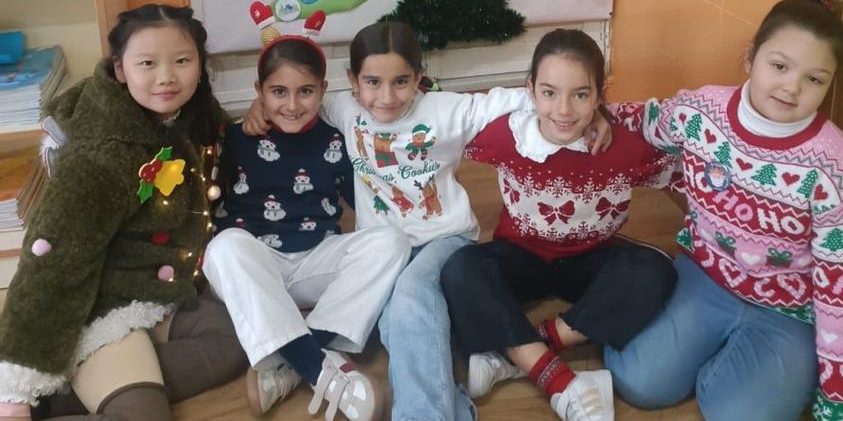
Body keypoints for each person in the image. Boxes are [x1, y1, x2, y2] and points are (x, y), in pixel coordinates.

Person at [243, 21, 612, 421]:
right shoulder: (342, 108)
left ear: (419, 77)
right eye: (372, 82)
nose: (386, 97)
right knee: (400, 326)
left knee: (411, 299)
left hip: (445, 240)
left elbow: (527, 98)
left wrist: (597, 113)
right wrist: (259, 105)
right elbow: (298, 104)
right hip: (383, 250)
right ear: (352, 81)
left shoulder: (447, 110)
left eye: (401, 81)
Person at [603, 0, 843, 421]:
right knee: (638, 381)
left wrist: (840, 406)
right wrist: (581, 113)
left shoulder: (839, 172)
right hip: (705, 277)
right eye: (780, 66)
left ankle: (737, 370)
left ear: (830, 83)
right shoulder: (702, 111)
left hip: (786, 312)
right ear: (750, 58)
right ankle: (714, 355)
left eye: (815, 79)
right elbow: (644, 119)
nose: (792, 87)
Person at [0, 4, 248, 421]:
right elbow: (50, 267)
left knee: (235, 340)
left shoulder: (180, 115)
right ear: (120, 69)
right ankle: (59, 388)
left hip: (152, 293)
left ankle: (73, 390)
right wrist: (17, 392)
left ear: (200, 66)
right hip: (95, 308)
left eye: (182, 61)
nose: (167, 76)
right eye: (147, 63)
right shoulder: (101, 158)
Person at [440, 29, 681, 421]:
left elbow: (686, 164)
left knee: (655, 271)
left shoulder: (624, 143)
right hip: (521, 256)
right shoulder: (505, 135)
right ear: (530, 90)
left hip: (591, 258)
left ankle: (523, 351)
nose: (564, 110)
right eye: (549, 93)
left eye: (581, 95)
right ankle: (558, 381)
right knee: (460, 269)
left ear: (601, 95)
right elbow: (441, 121)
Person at [202, 35, 410, 421]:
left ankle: (299, 354)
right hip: (253, 264)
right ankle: (317, 367)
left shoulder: (337, 139)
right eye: (278, 91)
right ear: (258, 91)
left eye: (306, 92)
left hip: (316, 261)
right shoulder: (231, 138)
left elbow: (364, 204)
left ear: (323, 91)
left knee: (391, 242)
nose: (293, 105)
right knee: (224, 246)